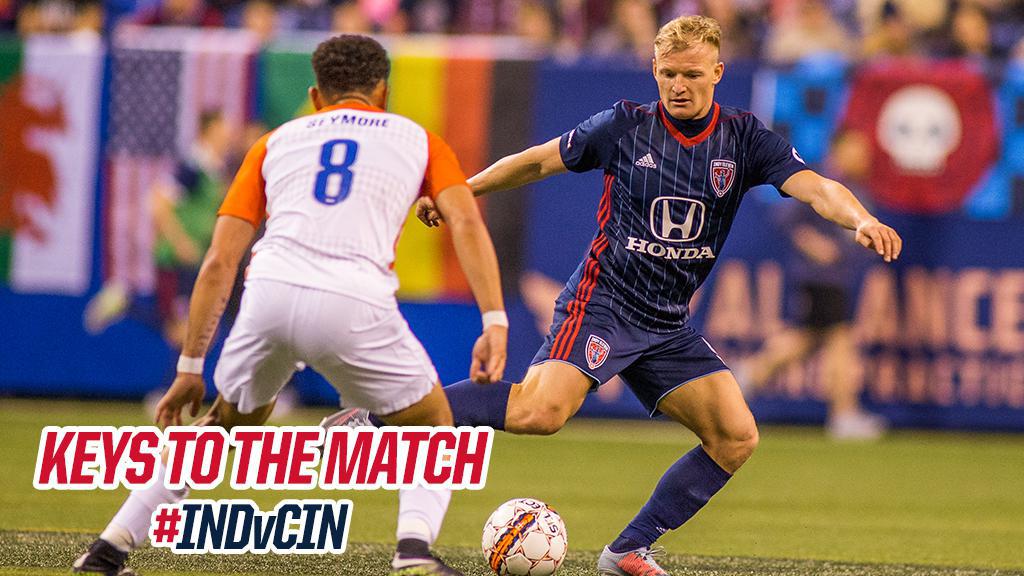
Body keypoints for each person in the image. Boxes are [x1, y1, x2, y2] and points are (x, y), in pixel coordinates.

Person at [338, 14, 902, 576]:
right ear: (654, 70)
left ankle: (627, 550)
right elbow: (537, 160)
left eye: (692, 74)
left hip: (667, 323)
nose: (678, 86)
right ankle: (377, 420)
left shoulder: (744, 138)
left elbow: (816, 188)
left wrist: (860, 219)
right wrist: (461, 191)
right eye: (668, 73)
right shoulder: (625, 126)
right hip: (604, 302)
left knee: (735, 437)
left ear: (717, 73)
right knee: (540, 411)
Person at [72, 34, 508, 576]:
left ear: (316, 96)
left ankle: (108, 549)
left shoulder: (273, 142)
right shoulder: (418, 139)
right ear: (382, 91)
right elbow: (464, 221)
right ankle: (413, 551)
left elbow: (219, 261)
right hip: (354, 298)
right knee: (433, 422)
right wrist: (494, 318)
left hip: (269, 294)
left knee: (223, 424)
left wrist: (189, 366)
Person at [736, 130, 886, 441]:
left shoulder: (858, 188)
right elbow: (786, 219)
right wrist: (813, 244)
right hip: (818, 278)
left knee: (808, 340)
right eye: (856, 150)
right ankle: (843, 414)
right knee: (841, 339)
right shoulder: (821, 182)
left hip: (839, 278)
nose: (863, 157)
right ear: (839, 150)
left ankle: (749, 374)